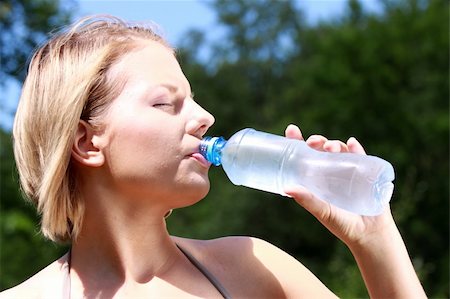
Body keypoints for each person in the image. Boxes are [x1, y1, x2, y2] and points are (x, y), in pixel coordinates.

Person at [1, 15, 426, 298]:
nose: (205, 117)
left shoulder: (251, 271)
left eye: (195, 100)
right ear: (87, 143)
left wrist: (373, 238)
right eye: (166, 103)